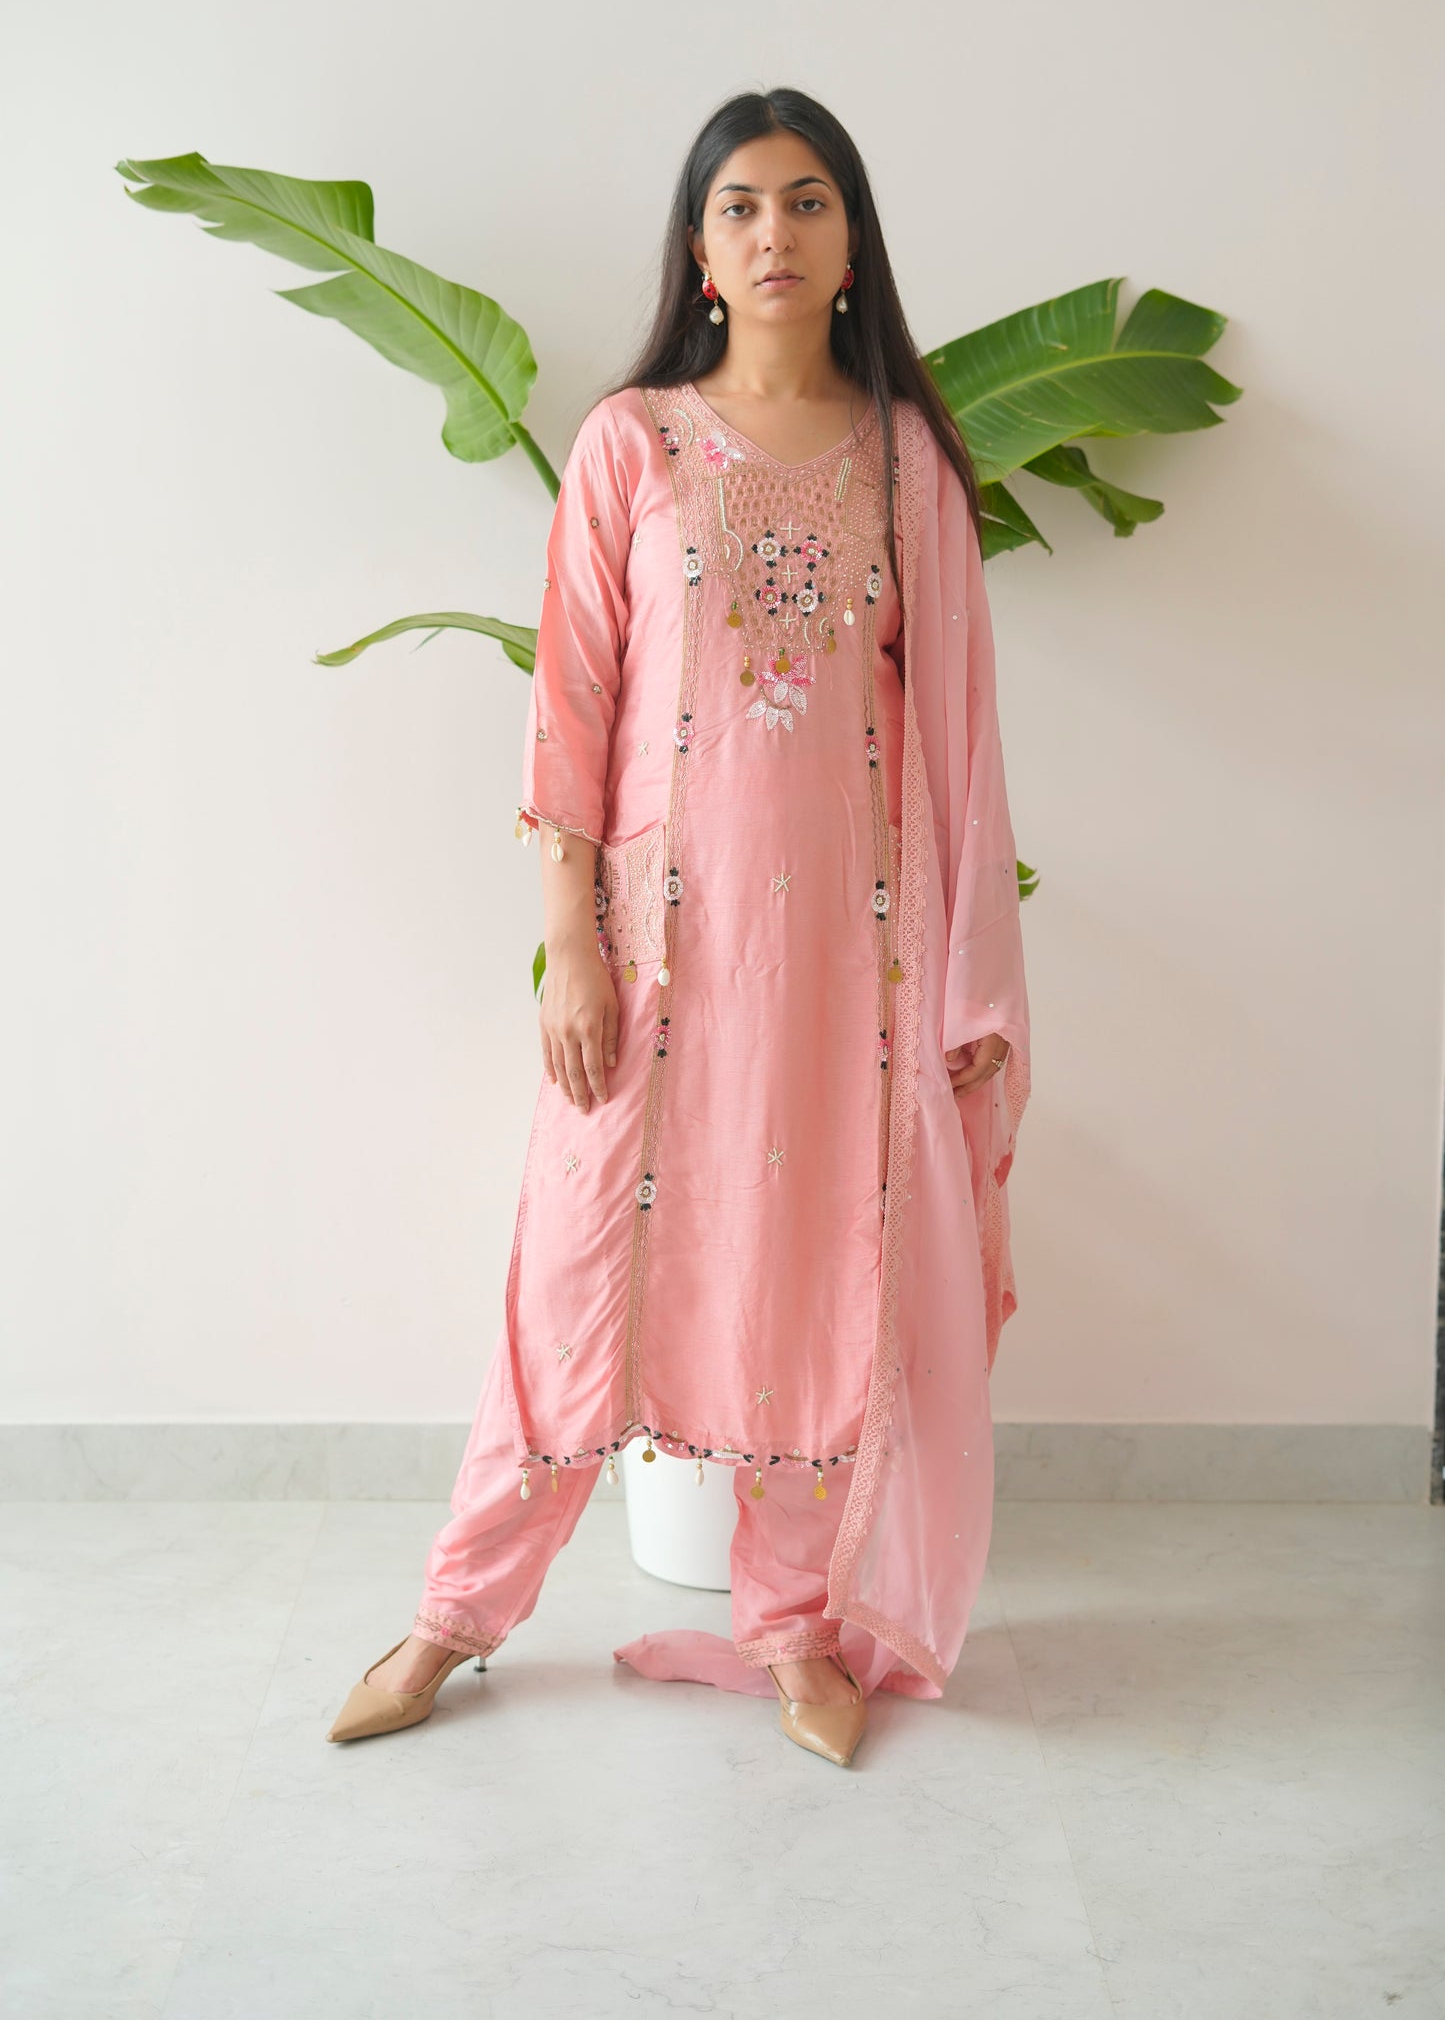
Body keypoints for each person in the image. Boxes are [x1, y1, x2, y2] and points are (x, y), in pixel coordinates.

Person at [327, 87, 1031, 1768]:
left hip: (842, 974)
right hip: (657, 951)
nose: (770, 235)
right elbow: (570, 704)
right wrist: (570, 938)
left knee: (815, 1281)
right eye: (735, 209)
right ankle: (457, 1612)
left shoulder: (905, 462)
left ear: (852, 240)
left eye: (803, 204)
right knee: (574, 1272)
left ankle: (794, 1631)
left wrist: (953, 986)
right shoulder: (630, 444)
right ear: (697, 250)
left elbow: (958, 734)